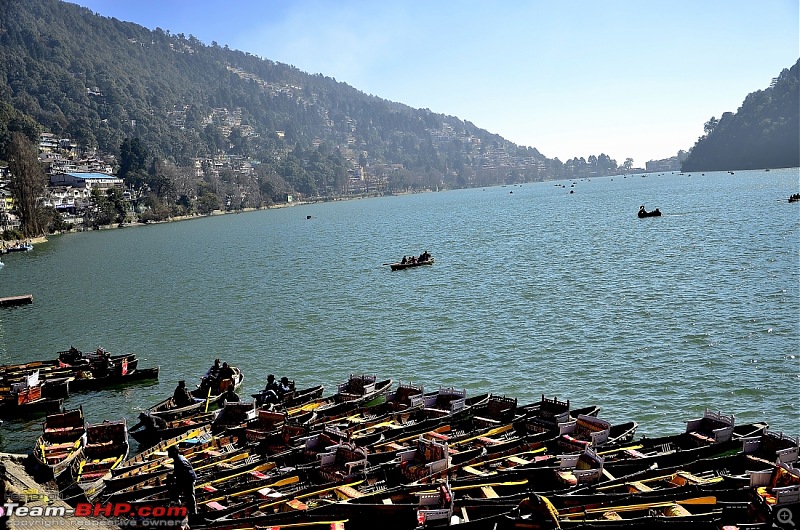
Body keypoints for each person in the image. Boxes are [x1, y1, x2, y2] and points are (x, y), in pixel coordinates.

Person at [167, 445, 197, 515]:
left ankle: (193, 513)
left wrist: (174, 478)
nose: (168, 454)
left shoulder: (180, 461)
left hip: (188, 480)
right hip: (184, 479)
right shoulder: (178, 458)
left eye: (169, 452)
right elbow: (178, 472)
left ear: (174, 452)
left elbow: (183, 473)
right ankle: (179, 507)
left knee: (189, 496)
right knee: (175, 493)